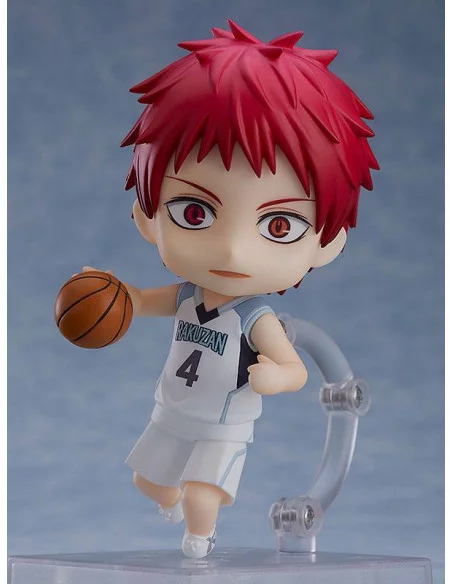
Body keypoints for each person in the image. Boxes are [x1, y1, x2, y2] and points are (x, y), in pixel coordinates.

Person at [89, 19, 378, 558]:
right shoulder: (187, 296)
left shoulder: (254, 318)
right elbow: (143, 301)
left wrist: (276, 376)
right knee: (148, 483)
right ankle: (173, 504)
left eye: (278, 225)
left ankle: (200, 538)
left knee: (203, 495)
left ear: (327, 241)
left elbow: (295, 369)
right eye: (195, 212)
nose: (232, 252)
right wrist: (116, 297)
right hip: (172, 410)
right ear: (148, 215)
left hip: (224, 422)